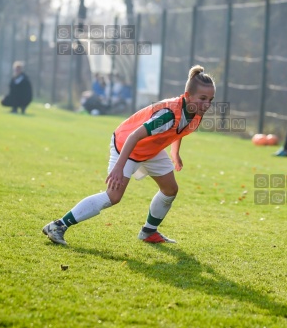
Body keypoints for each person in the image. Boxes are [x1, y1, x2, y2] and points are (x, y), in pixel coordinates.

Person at [42, 65, 215, 245]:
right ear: (187, 96)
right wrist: (119, 167)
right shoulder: (168, 114)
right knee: (113, 196)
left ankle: (148, 232)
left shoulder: (196, 112)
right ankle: (58, 226)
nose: (207, 104)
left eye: (210, 99)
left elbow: (178, 131)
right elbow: (134, 136)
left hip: (150, 149)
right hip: (126, 144)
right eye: (203, 98)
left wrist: (175, 152)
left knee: (170, 189)